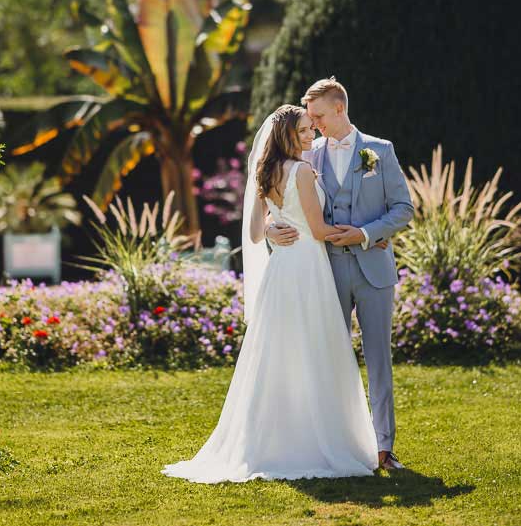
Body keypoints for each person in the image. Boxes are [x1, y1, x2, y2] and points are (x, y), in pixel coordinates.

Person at [162, 104, 378, 483]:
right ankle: (316, 440)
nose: (312, 136)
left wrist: (276, 228)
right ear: (287, 136)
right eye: (305, 131)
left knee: (279, 352)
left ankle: (275, 438)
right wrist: (364, 235)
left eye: (312, 129)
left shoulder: (266, 172)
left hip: (282, 271)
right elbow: (316, 229)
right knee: (315, 348)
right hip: (308, 269)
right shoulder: (303, 172)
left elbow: (255, 234)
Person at [267, 77, 414, 470]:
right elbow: (278, 205)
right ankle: (331, 443)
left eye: (317, 116)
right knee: (325, 358)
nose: (312, 125)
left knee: (378, 359)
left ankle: (384, 449)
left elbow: (403, 208)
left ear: (339, 109)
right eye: (308, 119)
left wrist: (367, 233)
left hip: (373, 271)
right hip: (324, 271)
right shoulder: (306, 155)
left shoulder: (380, 151)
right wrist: (268, 229)